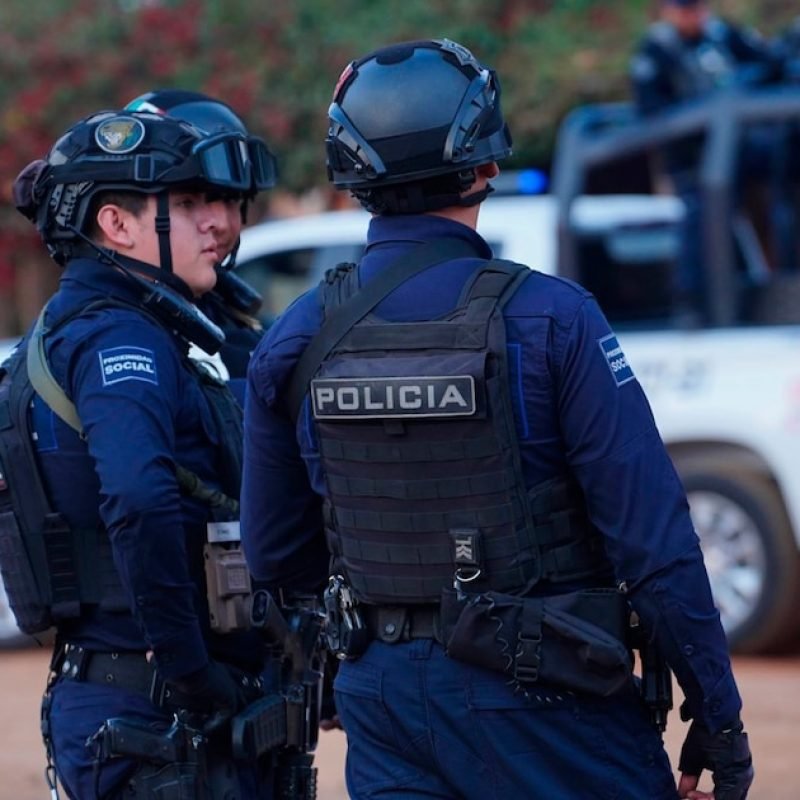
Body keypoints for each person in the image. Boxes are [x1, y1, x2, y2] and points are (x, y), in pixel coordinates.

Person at [241, 38, 754, 799]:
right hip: (549, 692)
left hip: (384, 700)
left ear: (349, 176)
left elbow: (276, 559)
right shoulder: (553, 319)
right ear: (487, 163)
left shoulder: (293, 338)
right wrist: (717, 715)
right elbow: (654, 544)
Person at [8, 109, 273, 799]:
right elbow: (138, 495)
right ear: (117, 226)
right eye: (188, 204)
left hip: (129, 702)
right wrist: (191, 671)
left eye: (220, 201)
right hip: (154, 715)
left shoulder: (90, 327)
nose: (218, 221)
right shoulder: (117, 338)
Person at [629, 0, 782, 318]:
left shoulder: (721, 34)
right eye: (684, 8)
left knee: (783, 169)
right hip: (693, 159)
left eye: (697, 6)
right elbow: (651, 111)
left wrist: (745, 85)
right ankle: (694, 303)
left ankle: (776, 279)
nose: (692, 15)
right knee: (699, 218)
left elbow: (770, 63)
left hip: (741, 148)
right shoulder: (657, 48)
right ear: (668, 10)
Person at [125, 89, 278, 399]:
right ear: (121, 218)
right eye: (189, 201)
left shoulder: (237, 326)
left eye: (232, 199)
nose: (221, 223)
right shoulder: (107, 342)